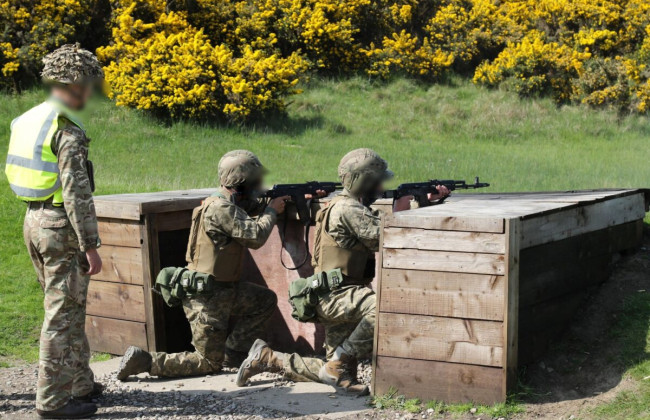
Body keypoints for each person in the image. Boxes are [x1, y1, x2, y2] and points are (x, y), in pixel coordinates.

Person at [235, 148, 450, 394]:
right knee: (383, 307)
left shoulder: (344, 205)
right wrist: (406, 210)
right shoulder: (349, 209)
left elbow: (377, 226)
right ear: (364, 181)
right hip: (336, 295)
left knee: (335, 372)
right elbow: (388, 239)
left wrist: (419, 204)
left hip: (333, 293)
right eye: (377, 182)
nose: (381, 188)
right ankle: (342, 359)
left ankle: (268, 358)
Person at [116, 150, 292, 380]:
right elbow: (255, 236)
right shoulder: (221, 209)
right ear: (240, 183)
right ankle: (145, 361)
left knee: (264, 300)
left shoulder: (224, 202)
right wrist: (271, 211)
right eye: (254, 181)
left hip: (224, 291)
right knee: (207, 362)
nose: (259, 185)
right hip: (207, 298)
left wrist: (291, 197)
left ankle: (234, 353)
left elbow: (248, 209)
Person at [5, 44, 105, 418]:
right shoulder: (66, 131)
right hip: (61, 226)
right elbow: (77, 196)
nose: (92, 93)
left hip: (32, 220)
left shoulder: (27, 118)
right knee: (62, 315)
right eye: (91, 85)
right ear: (77, 83)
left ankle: (80, 385)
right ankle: (51, 403)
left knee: (68, 307)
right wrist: (90, 244)